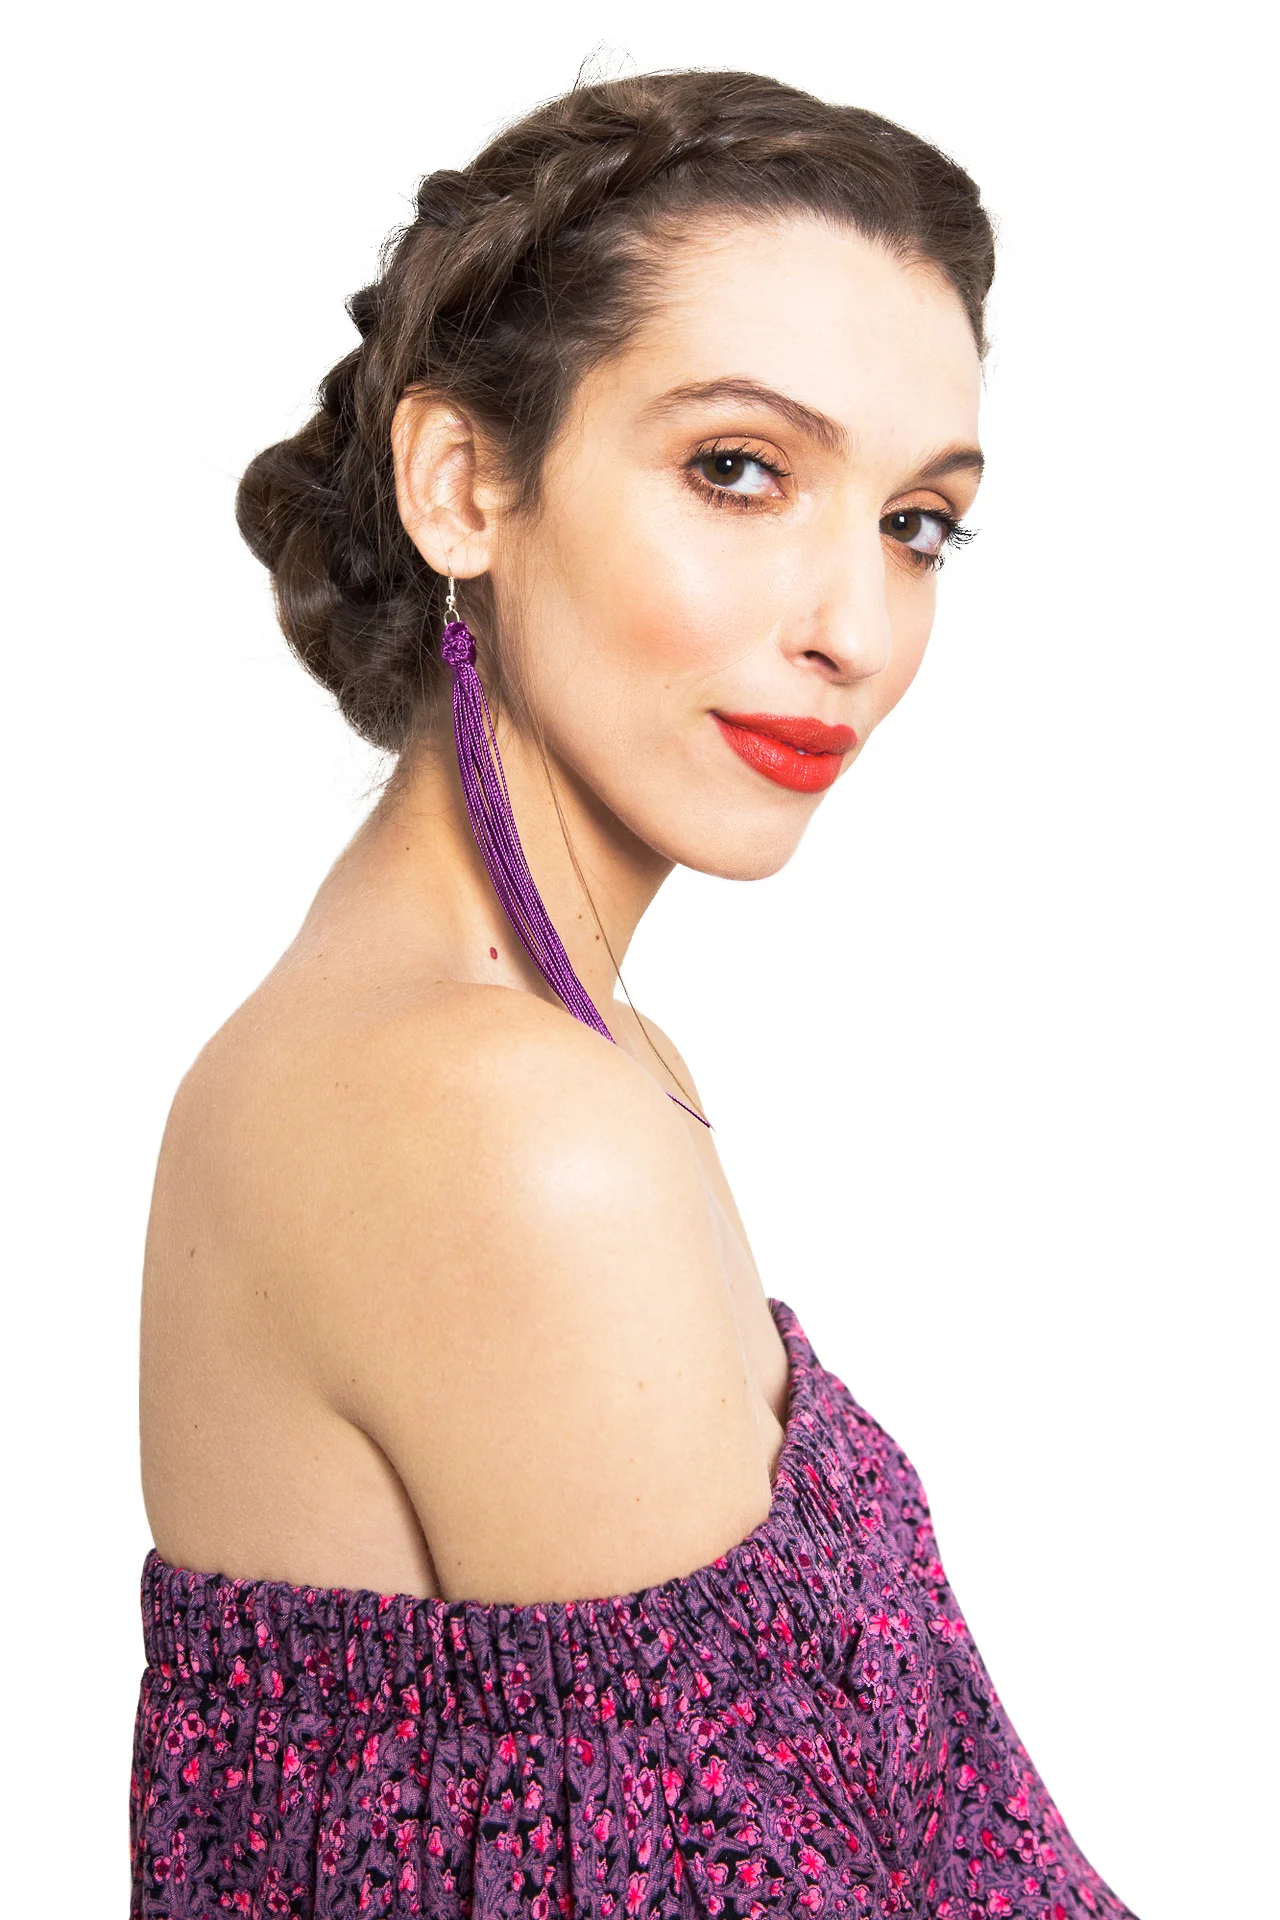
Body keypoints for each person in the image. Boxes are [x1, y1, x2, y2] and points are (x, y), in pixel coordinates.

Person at [131, 67, 1139, 1919]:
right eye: (738, 469)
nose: (855, 627)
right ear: (463, 485)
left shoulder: (550, 1051)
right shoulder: (501, 1121)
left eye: (918, 522)